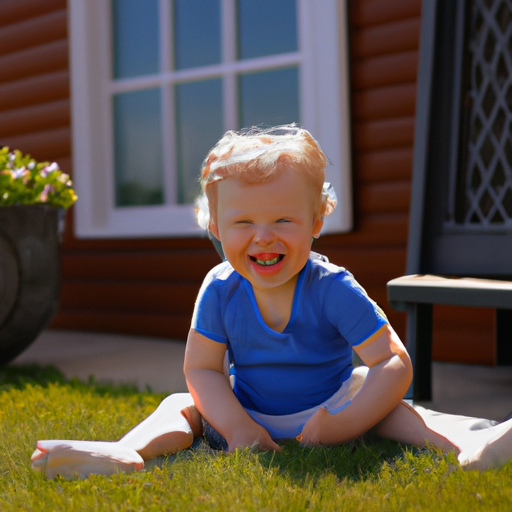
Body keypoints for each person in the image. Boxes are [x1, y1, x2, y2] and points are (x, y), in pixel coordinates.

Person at [32, 125, 512, 479]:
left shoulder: (331, 286)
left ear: (315, 222)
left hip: (330, 405)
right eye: (243, 224)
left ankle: (469, 445)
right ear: (216, 229)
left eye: (284, 220)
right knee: (182, 404)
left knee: (381, 395)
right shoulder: (220, 288)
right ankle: (127, 452)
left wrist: (344, 424)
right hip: (247, 410)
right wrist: (238, 427)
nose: (264, 238)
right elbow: (202, 369)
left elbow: (392, 361)